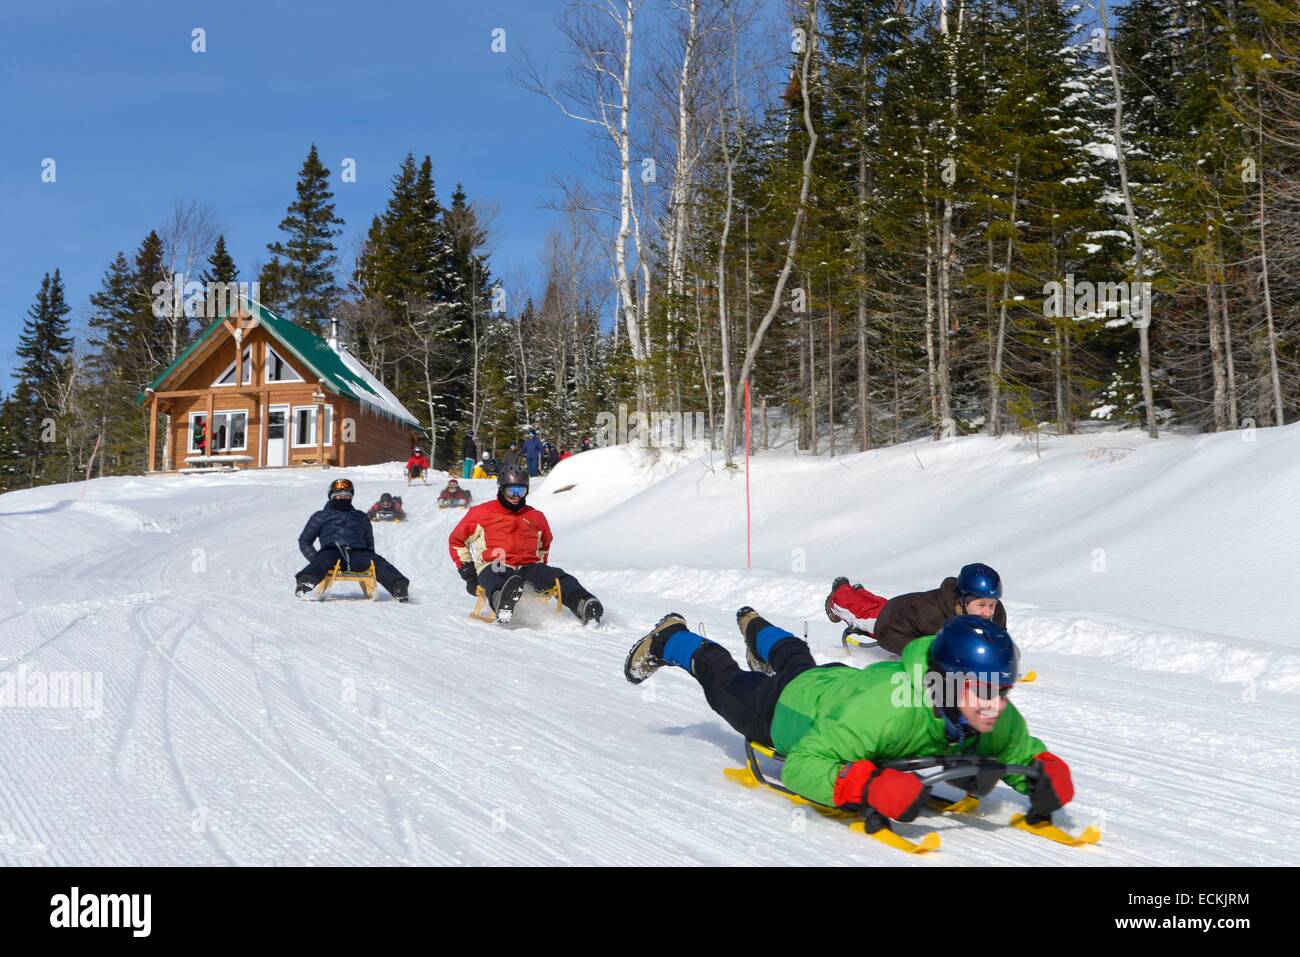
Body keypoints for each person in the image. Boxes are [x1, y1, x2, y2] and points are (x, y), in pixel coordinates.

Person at [623, 611, 1072, 823]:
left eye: (1003, 691)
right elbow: (803, 766)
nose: (996, 705)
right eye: (985, 692)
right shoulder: (890, 712)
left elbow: (1019, 750)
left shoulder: (987, 710)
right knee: (724, 681)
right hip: (788, 709)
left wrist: (1043, 772)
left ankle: (753, 622)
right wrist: (868, 785)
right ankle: (672, 638)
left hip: (837, 688)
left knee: (798, 657)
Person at [448, 466, 603, 625]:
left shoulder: (535, 516)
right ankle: (502, 602)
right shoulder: (482, 513)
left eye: (521, 491)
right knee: (495, 576)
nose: (516, 497)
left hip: (528, 566)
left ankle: (583, 603)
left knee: (559, 577)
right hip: (497, 563)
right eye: (511, 491)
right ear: (501, 489)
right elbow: (456, 541)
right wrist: (468, 573)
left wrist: (542, 569)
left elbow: (544, 545)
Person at [824, 563, 1007, 655]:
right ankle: (839, 595)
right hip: (889, 620)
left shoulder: (996, 614)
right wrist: (923, 652)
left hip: (906, 609)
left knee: (880, 606)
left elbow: (999, 641)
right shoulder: (929, 613)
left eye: (992, 604)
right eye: (981, 605)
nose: (988, 612)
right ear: (963, 600)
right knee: (866, 614)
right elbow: (886, 635)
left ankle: (859, 592)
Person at [296, 479, 410, 602]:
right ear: (332, 497)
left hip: (358, 553)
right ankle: (306, 581)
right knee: (322, 560)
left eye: (346, 496)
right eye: (339, 496)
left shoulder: (360, 516)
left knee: (377, 561)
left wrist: (369, 554)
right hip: (332, 551)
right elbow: (305, 541)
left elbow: (369, 540)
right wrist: (315, 559)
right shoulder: (321, 516)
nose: (343, 498)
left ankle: (398, 586)